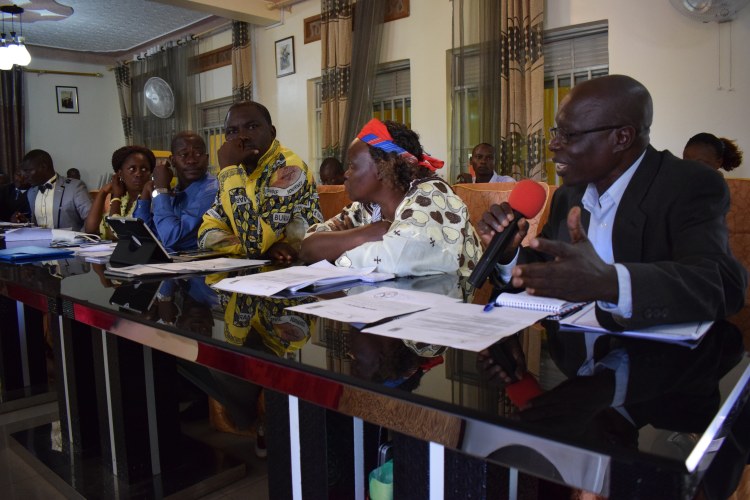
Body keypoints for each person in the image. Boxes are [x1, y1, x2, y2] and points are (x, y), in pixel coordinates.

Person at [475, 75, 746, 449]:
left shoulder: (689, 184)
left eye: (569, 135)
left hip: (666, 368)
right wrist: (508, 255)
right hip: (578, 352)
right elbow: (547, 271)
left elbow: (722, 283)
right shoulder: (569, 194)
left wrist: (611, 282)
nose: (553, 145)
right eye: (557, 132)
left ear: (621, 137)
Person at [300, 118, 482, 277]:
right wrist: (368, 233)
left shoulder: (432, 194)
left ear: (381, 167)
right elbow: (308, 246)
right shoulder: (367, 207)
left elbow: (398, 259)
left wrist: (335, 248)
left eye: (353, 165)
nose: (346, 174)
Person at [198, 101, 321, 261]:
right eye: (232, 131)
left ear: (272, 132)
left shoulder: (289, 168)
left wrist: (257, 246)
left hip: (297, 267)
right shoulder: (237, 171)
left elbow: (254, 244)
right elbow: (206, 234)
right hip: (259, 267)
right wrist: (263, 248)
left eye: (252, 127)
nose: (242, 136)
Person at [132, 131, 218, 252]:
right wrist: (146, 193)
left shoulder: (212, 190)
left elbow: (172, 237)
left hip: (203, 267)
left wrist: (160, 189)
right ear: (172, 160)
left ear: (207, 159)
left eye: (198, 154)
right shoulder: (174, 192)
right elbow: (142, 237)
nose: (191, 160)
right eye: (184, 155)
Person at [84, 145, 154, 239]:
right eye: (132, 169)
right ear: (120, 174)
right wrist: (103, 192)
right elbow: (90, 230)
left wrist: (116, 196)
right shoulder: (124, 199)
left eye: (144, 169)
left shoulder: (150, 201)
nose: (138, 174)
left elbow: (115, 234)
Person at [18, 149, 91, 231]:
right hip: (39, 243)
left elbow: (91, 218)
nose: (25, 176)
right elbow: (35, 225)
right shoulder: (31, 192)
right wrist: (25, 222)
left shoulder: (74, 187)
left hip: (71, 242)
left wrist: (80, 238)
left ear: (44, 166)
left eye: (28, 171)